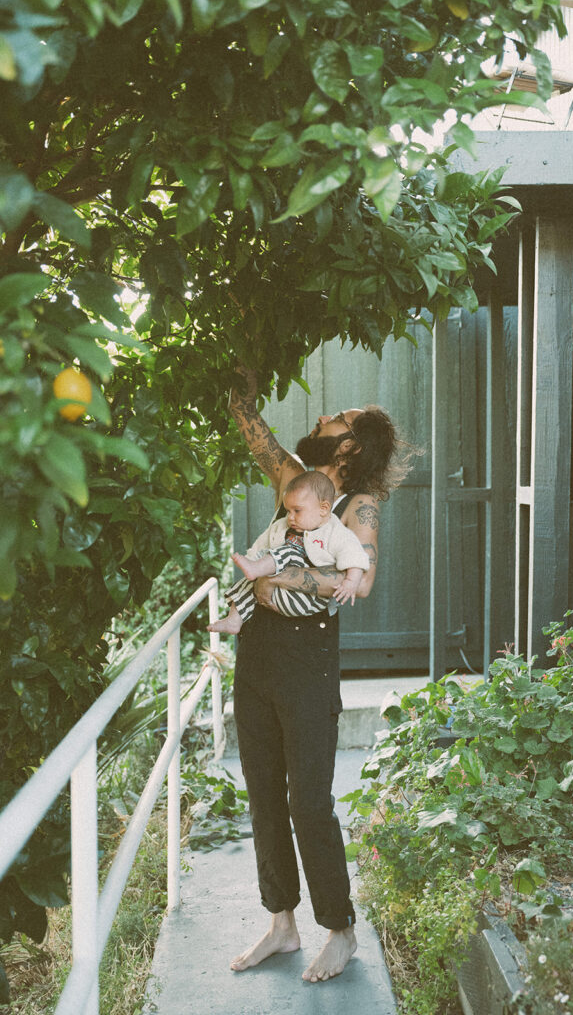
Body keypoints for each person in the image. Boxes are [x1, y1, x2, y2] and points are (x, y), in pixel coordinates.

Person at [227, 366, 411, 984]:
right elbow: (261, 441)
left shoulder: (358, 506)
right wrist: (243, 398)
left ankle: (340, 929)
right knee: (263, 799)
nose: (321, 419)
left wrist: (272, 575)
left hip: (306, 661)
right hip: (255, 654)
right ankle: (281, 925)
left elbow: (351, 586)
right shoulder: (296, 483)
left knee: (308, 801)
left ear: (352, 443)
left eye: (338, 418)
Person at [209, 471, 369, 635]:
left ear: (324, 508)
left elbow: (356, 558)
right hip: (274, 598)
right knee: (250, 577)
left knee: (288, 552)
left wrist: (350, 582)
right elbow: (260, 546)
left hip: (307, 600)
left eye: (297, 511)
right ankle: (234, 619)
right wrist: (252, 561)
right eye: (288, 511)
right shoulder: (281, 526)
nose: (290, 517)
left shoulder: (336, 532)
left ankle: (257, 570)